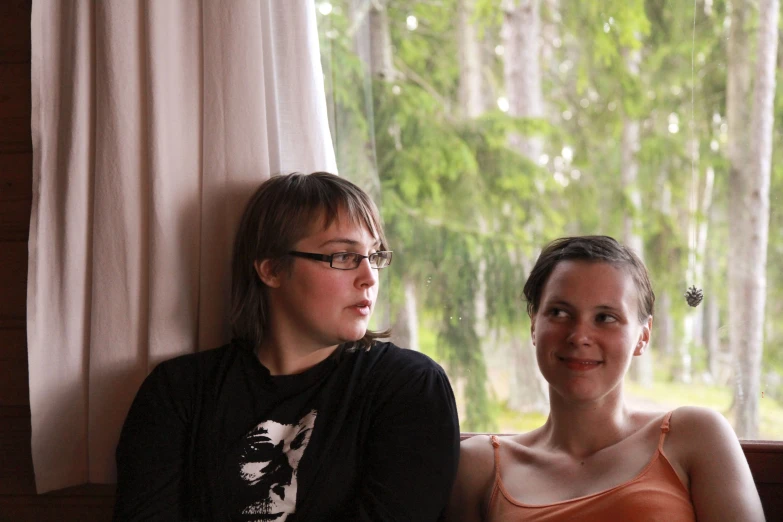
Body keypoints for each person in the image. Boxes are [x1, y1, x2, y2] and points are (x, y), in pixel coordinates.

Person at [114, 172, 460, 521]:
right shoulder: (179, 392)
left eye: (374, 255)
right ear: (272, 269)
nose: (369, 277)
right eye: (342, 256)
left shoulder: (409, 387)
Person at [444, 235, 765, 522]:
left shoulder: (694, 436)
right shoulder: (481, 466)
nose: (579, 335)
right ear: (533, 325)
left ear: (643, 335)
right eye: (559, 312)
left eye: (606, 317)